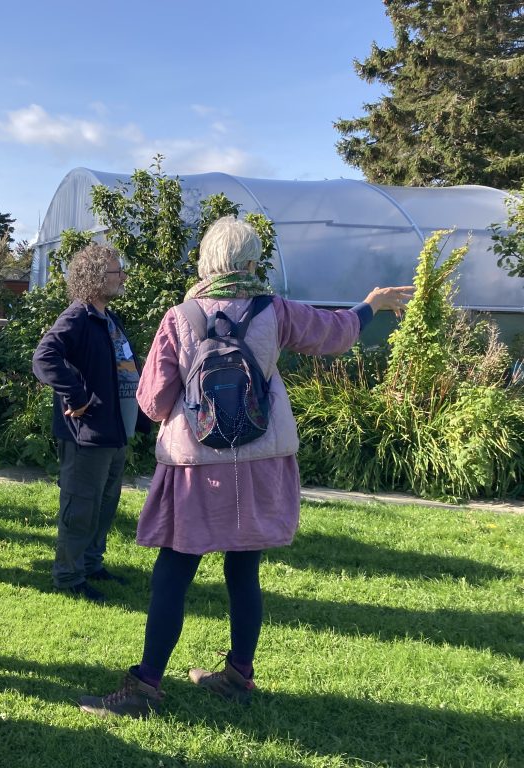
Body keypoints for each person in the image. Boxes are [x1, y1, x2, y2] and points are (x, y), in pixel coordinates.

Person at [79, 215, 412, 718]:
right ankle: (238, 674)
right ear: (253, 261)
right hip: (259, 461)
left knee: (172, 572)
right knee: (243, 570)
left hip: (195, 466)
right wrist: (371, 305)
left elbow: (152, 401)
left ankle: (145, 686)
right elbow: (336, 333)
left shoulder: (179, 317)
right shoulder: (274, 311)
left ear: (207, 260)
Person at [32, 243, 149, 603]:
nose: (123, 277)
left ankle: (91, 563)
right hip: (87, 434)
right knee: (81, 506)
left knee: (105, 503)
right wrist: (77, 396)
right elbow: (44, 357)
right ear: (97, 277)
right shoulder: (78, 317)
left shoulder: (108, 319)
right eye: (117, 272)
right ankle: (68, 574)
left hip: (114, 432)